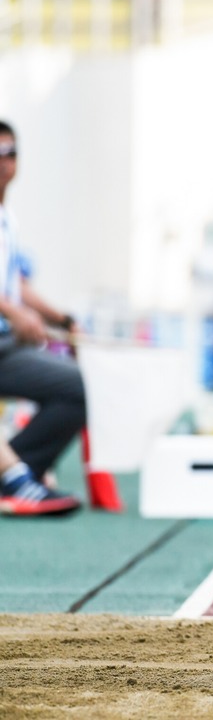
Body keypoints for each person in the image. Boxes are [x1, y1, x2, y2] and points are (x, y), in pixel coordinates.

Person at [0, 120, 85, 516]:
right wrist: (13, 312)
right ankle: (15, 478)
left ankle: (18, 473)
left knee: (78, 386)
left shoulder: (8, 219)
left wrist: (62, 319)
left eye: (10, 153)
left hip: (6, 345)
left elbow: (16, 283)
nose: (4, 162)